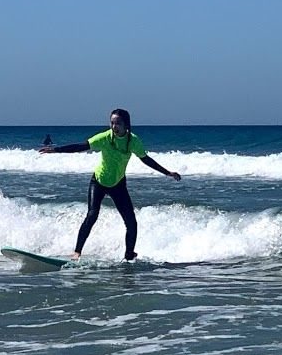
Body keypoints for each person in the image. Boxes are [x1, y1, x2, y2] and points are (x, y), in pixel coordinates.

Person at [39, 108, 180, 261]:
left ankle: (129, 256)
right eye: (112, 123)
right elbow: (81, 146)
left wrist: (167, 172)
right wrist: (55, 150)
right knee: (92, 215)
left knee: (131, 222)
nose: (114, 126)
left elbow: (145, 159)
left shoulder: (133, 141)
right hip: (98, 182)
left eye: (118, 123)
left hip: (118, 184)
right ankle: (77, 252)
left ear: (126, 124)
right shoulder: (105, 137)